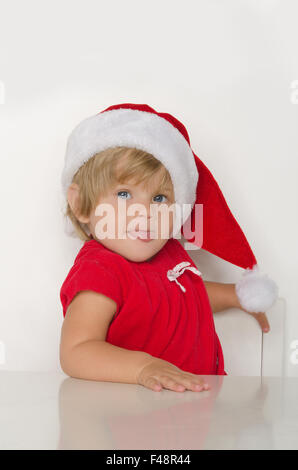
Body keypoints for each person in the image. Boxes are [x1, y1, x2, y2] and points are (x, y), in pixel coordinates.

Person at [59, 103, 278, 392]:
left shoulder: (169, 253)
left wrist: (233, 295)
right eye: (124, 193)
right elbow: (76, 350)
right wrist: (143, 367)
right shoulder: (101, 270)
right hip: (134, 419)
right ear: (80, 205)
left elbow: (181, 295)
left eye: (159, 198)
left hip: (191, 415)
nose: (145, 211)